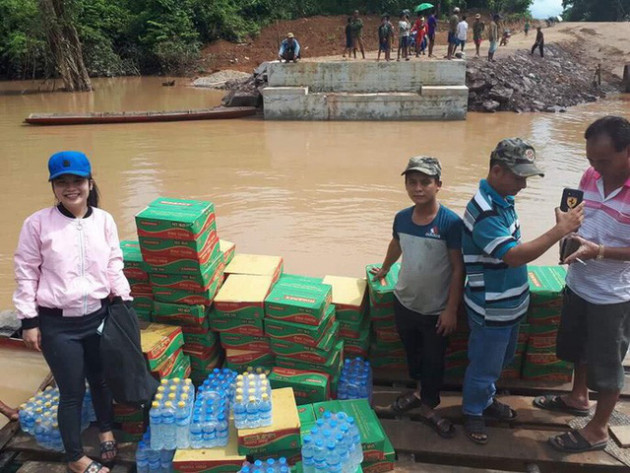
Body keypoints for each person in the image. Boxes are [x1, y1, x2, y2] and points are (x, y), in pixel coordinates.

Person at [14, 151, 132, 473]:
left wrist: (123, 300)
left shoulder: (104, 220)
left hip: (98, 316)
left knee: (101, 379)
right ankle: (76, 458)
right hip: (58, 324)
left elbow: (113, 262)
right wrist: (29, 321)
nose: (71, 188)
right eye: (62, 182)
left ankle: (106, 429)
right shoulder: (38, 224)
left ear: (89, 182)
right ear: (53, 187)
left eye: (77, 181)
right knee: (71, 392)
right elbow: (26, 271)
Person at [461, 138, 584, 445]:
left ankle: (486, 399)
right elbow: (514, 255)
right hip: (491, 308)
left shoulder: (502, 200)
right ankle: (473, 411)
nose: (523, 186)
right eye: (518, 178)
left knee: (500, 360)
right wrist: (560, 230)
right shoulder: (485, 211)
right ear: (498, 170)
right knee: (485, 364)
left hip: (509, 304)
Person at [533, 116, 630, 453]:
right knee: (578, 346)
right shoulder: (590, 175)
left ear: (628, 152)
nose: (596, 169)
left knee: (607, 362)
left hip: (614, 295)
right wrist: (566, 230)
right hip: (579, 281)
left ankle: (599, 429)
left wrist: (600, 251)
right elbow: (576, 212)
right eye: (591, 160)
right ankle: (577, 397)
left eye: (604, 161)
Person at [372, 157, 463, 439]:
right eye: (412, 182)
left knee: (434, 361)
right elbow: (396, 244)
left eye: (425, 182)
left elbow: (459, 267)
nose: (418, 188)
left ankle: (429, 406)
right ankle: (419, 392)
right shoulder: (401, 218)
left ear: (438, 185)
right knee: (413, 355)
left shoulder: (450, 223)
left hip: (435, 310)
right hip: (405, 302)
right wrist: (385, 268)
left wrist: (451, 309)